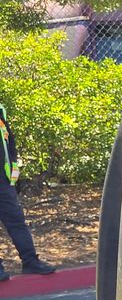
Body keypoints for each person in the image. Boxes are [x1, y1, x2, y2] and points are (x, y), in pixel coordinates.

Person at [0, 101, 57, 282]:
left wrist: (14, 173)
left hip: (3, 181)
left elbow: (10, 143)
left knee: (17, 222)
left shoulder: (1, 111)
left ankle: (30, 262)